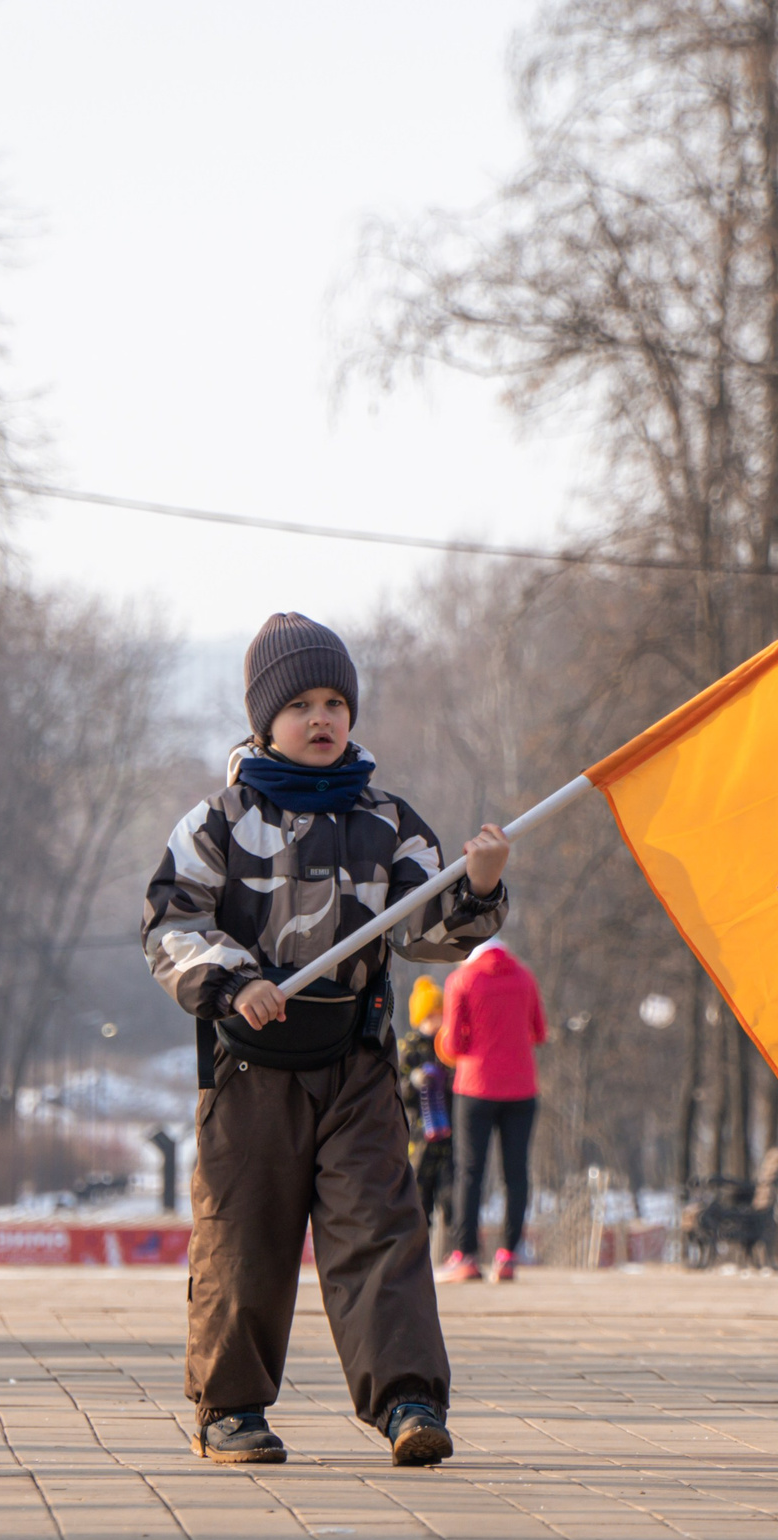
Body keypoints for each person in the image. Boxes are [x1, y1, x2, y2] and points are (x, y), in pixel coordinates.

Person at [143, 612, 509, 1467]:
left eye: (336, 702)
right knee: (243, 1236)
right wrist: (234, 981)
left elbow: (428, 929)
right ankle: (230, 1408)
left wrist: (479, 889)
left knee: (381, 1225)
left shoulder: (388, 823)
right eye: (301, 703)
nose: (321, 718)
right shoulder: (219, 822)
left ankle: (407, 1397)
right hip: (249, 1065)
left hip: (355, 1064)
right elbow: (171, 922)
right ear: (263, 719)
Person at [436, 937, 546, 1283]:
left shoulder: (462, 981)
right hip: (521, 1087)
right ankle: (509, 1255)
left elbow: (453, 1045)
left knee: (469, 1171)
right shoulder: (525, 977)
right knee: (516, 1173)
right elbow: (539, 1032)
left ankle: (465, 1255)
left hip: (475, 1088)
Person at [399, 977, 456, 1242]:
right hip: (419, 1138)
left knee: (451, 1193)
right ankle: (417, 1250)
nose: (436, 1023)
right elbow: (396, 1088)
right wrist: (414, 1082)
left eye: (439, 1016)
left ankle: (455, 1248)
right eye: (430, 1016)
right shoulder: (408, 1047)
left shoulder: (447, 1046)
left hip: (449, 1134)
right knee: (419, 1197)